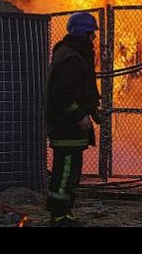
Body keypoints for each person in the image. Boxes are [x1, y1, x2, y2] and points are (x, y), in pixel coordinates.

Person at [44, 12, 102, 227]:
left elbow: (81, 89)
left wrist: (93, 111)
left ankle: (65, 213)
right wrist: (79, 115)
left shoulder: (74, 54)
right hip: (66, 127)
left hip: (69, 128)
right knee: (65, 172)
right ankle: (58, 216)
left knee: (70, 173)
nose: (93, 39)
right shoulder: (72, 57)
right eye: (91, 34)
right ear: (83, 34)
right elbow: (63, 94)